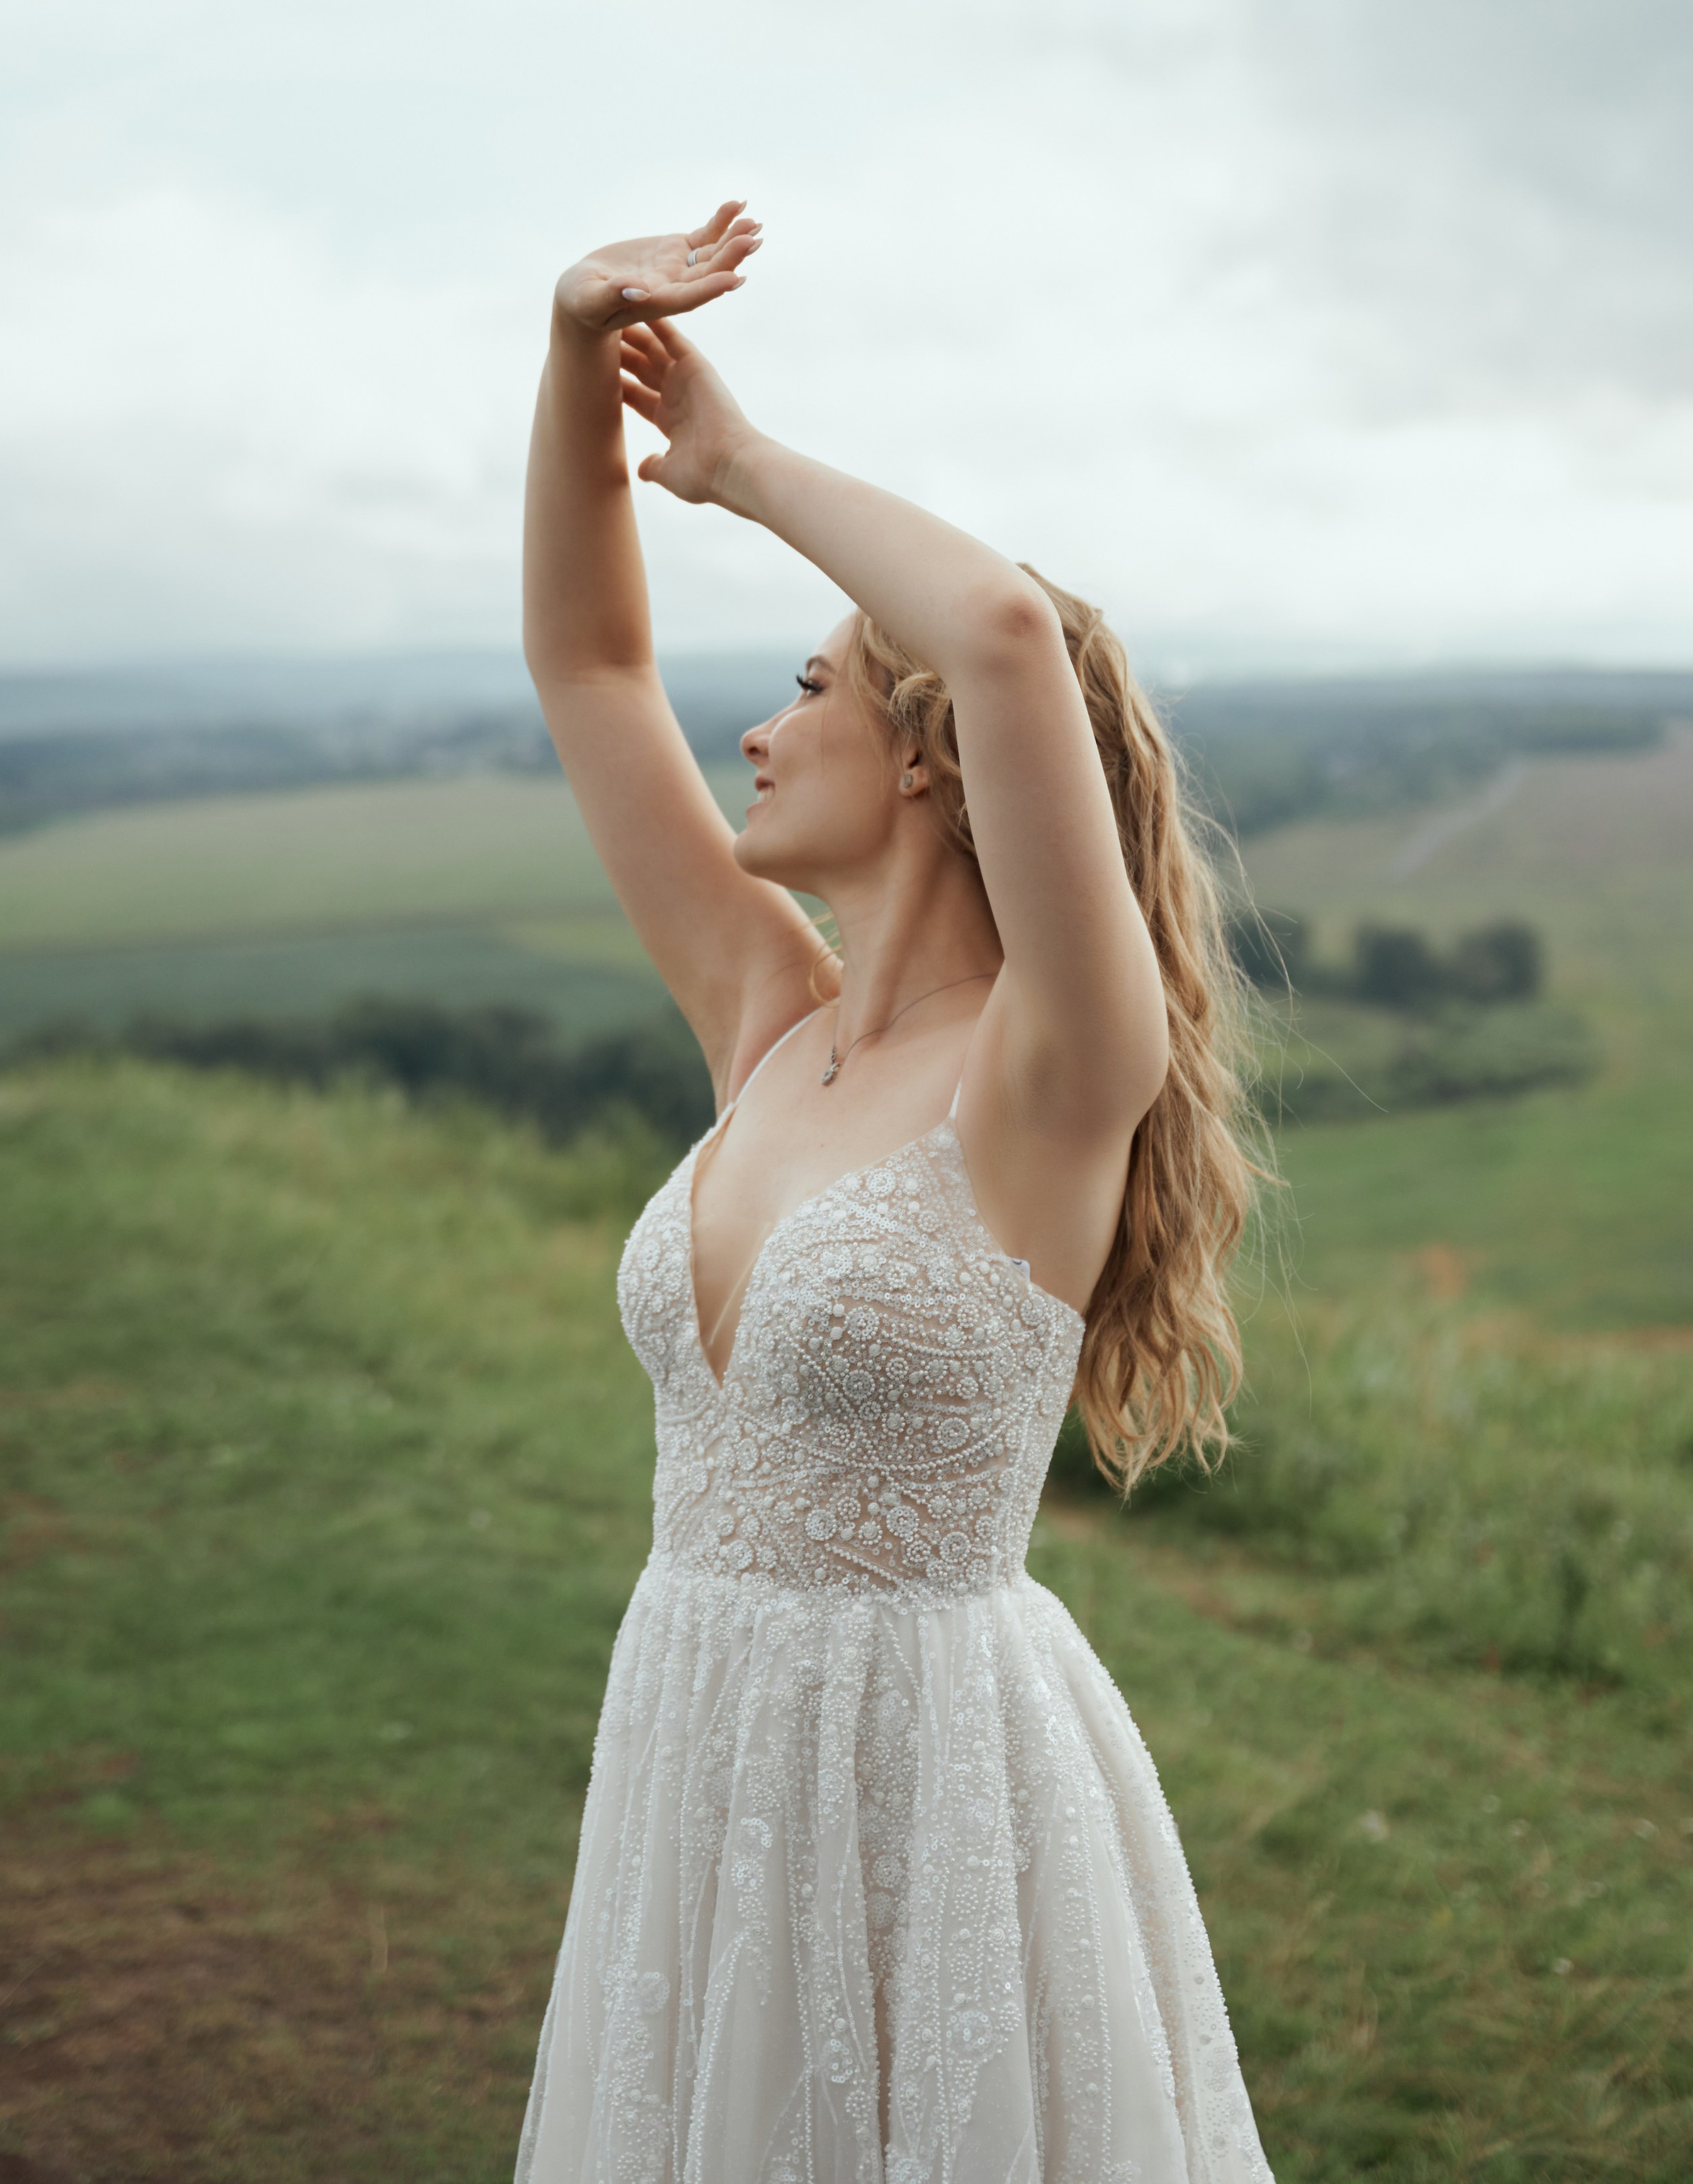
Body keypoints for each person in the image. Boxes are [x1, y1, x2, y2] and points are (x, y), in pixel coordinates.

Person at [514, 199, 1274, 2183]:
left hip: (930, 1783)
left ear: (934, 753)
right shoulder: (768, 1017)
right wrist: (576, 358)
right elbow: (590, 663)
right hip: (692, 1735)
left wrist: (740, 460)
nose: (755, 730)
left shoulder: (1054, 1067)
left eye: (813, 687)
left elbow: (1005, 631)